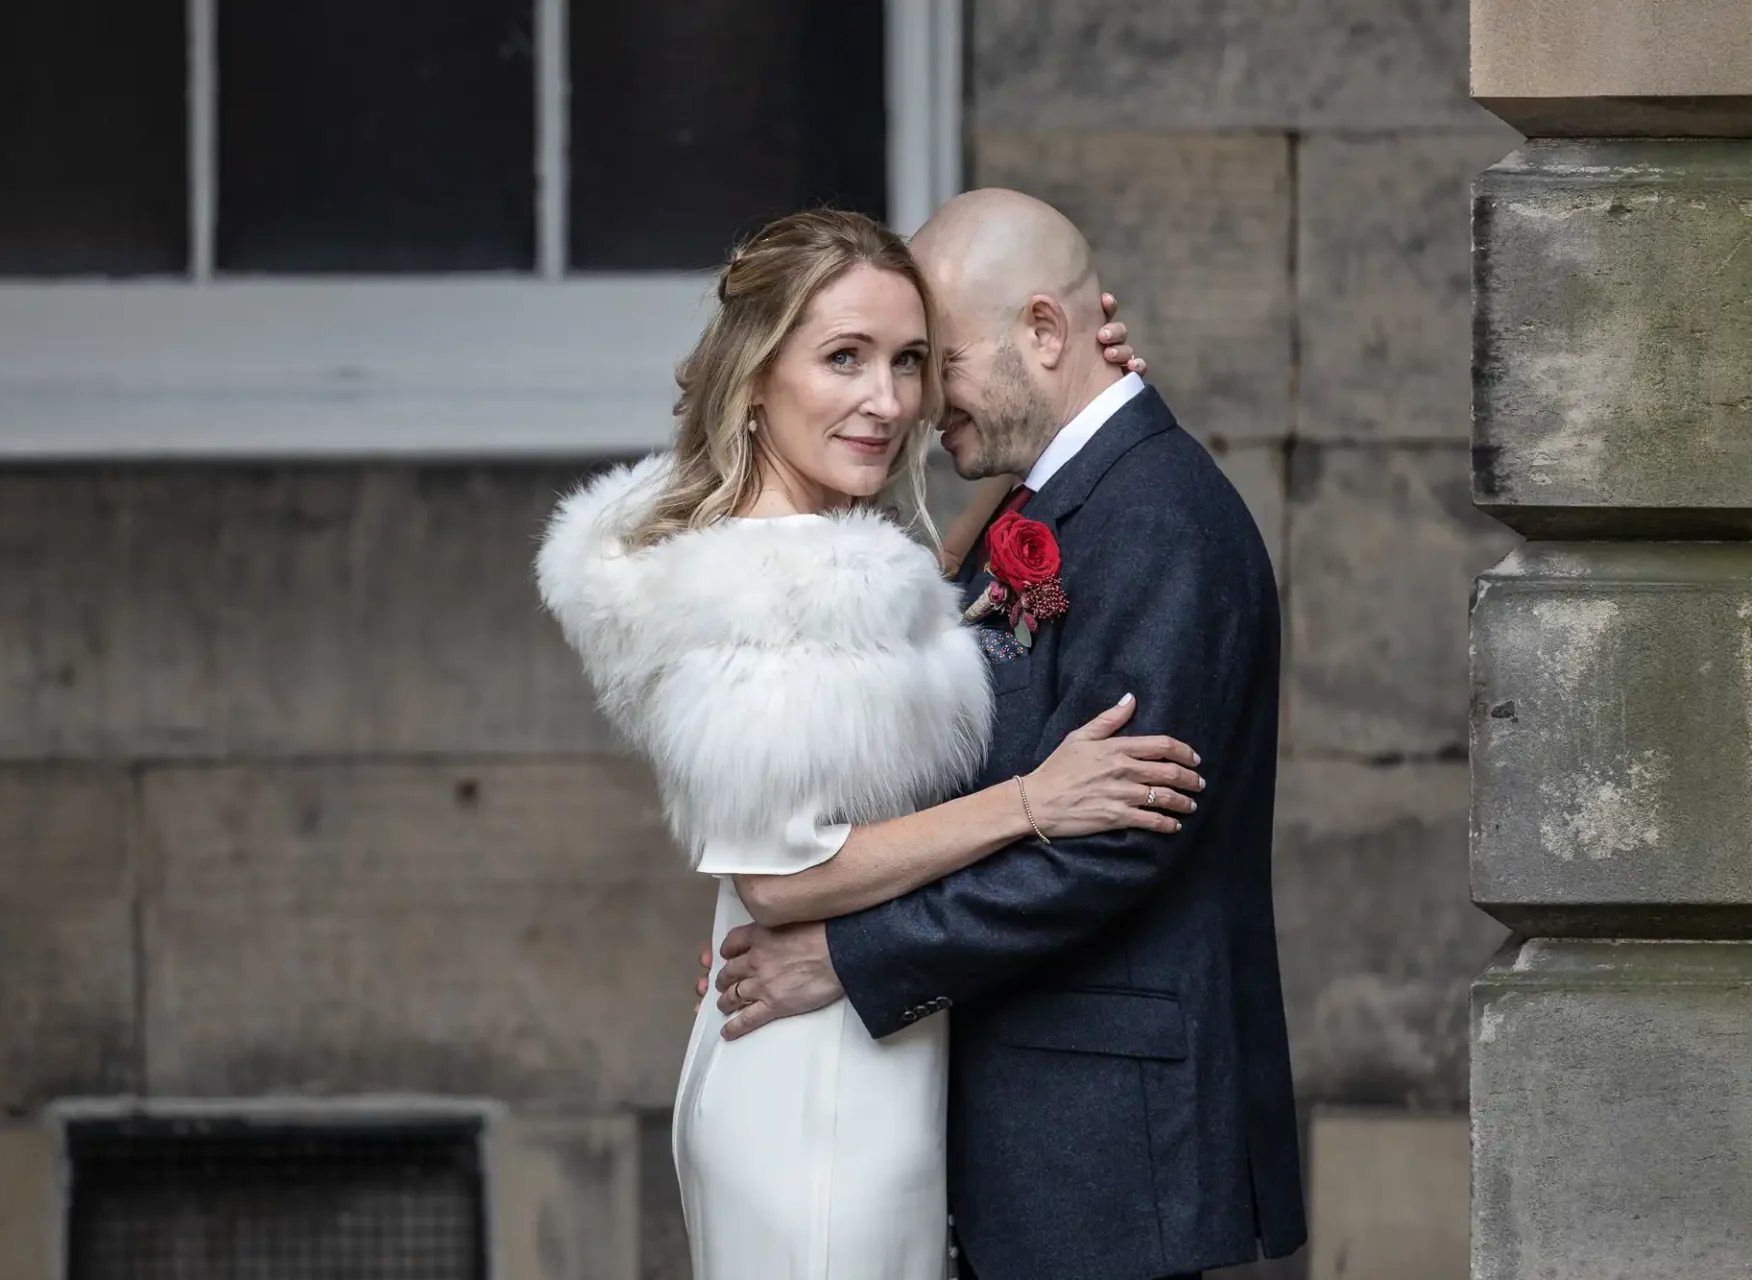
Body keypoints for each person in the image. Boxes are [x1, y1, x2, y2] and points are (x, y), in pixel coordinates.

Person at [535, 207, 1200, 1279]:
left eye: (910, 361)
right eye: (843, 357)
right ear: (756, 375)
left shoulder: (809, 560)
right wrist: (1031, 800)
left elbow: (904, 626)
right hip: (820, 1097)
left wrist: (1071, 397)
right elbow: (779, 880)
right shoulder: (781, 587)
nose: (887, 402)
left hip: (840, 1056)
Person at [705, 190, 1307, 1280]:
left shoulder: (1160, 517)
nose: (920, 402)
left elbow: (1114, 839)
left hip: (1107, 1147)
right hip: (1036, 1132)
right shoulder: (1066, 497)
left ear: (1043, 331)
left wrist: (847, 958)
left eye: (939, 361)